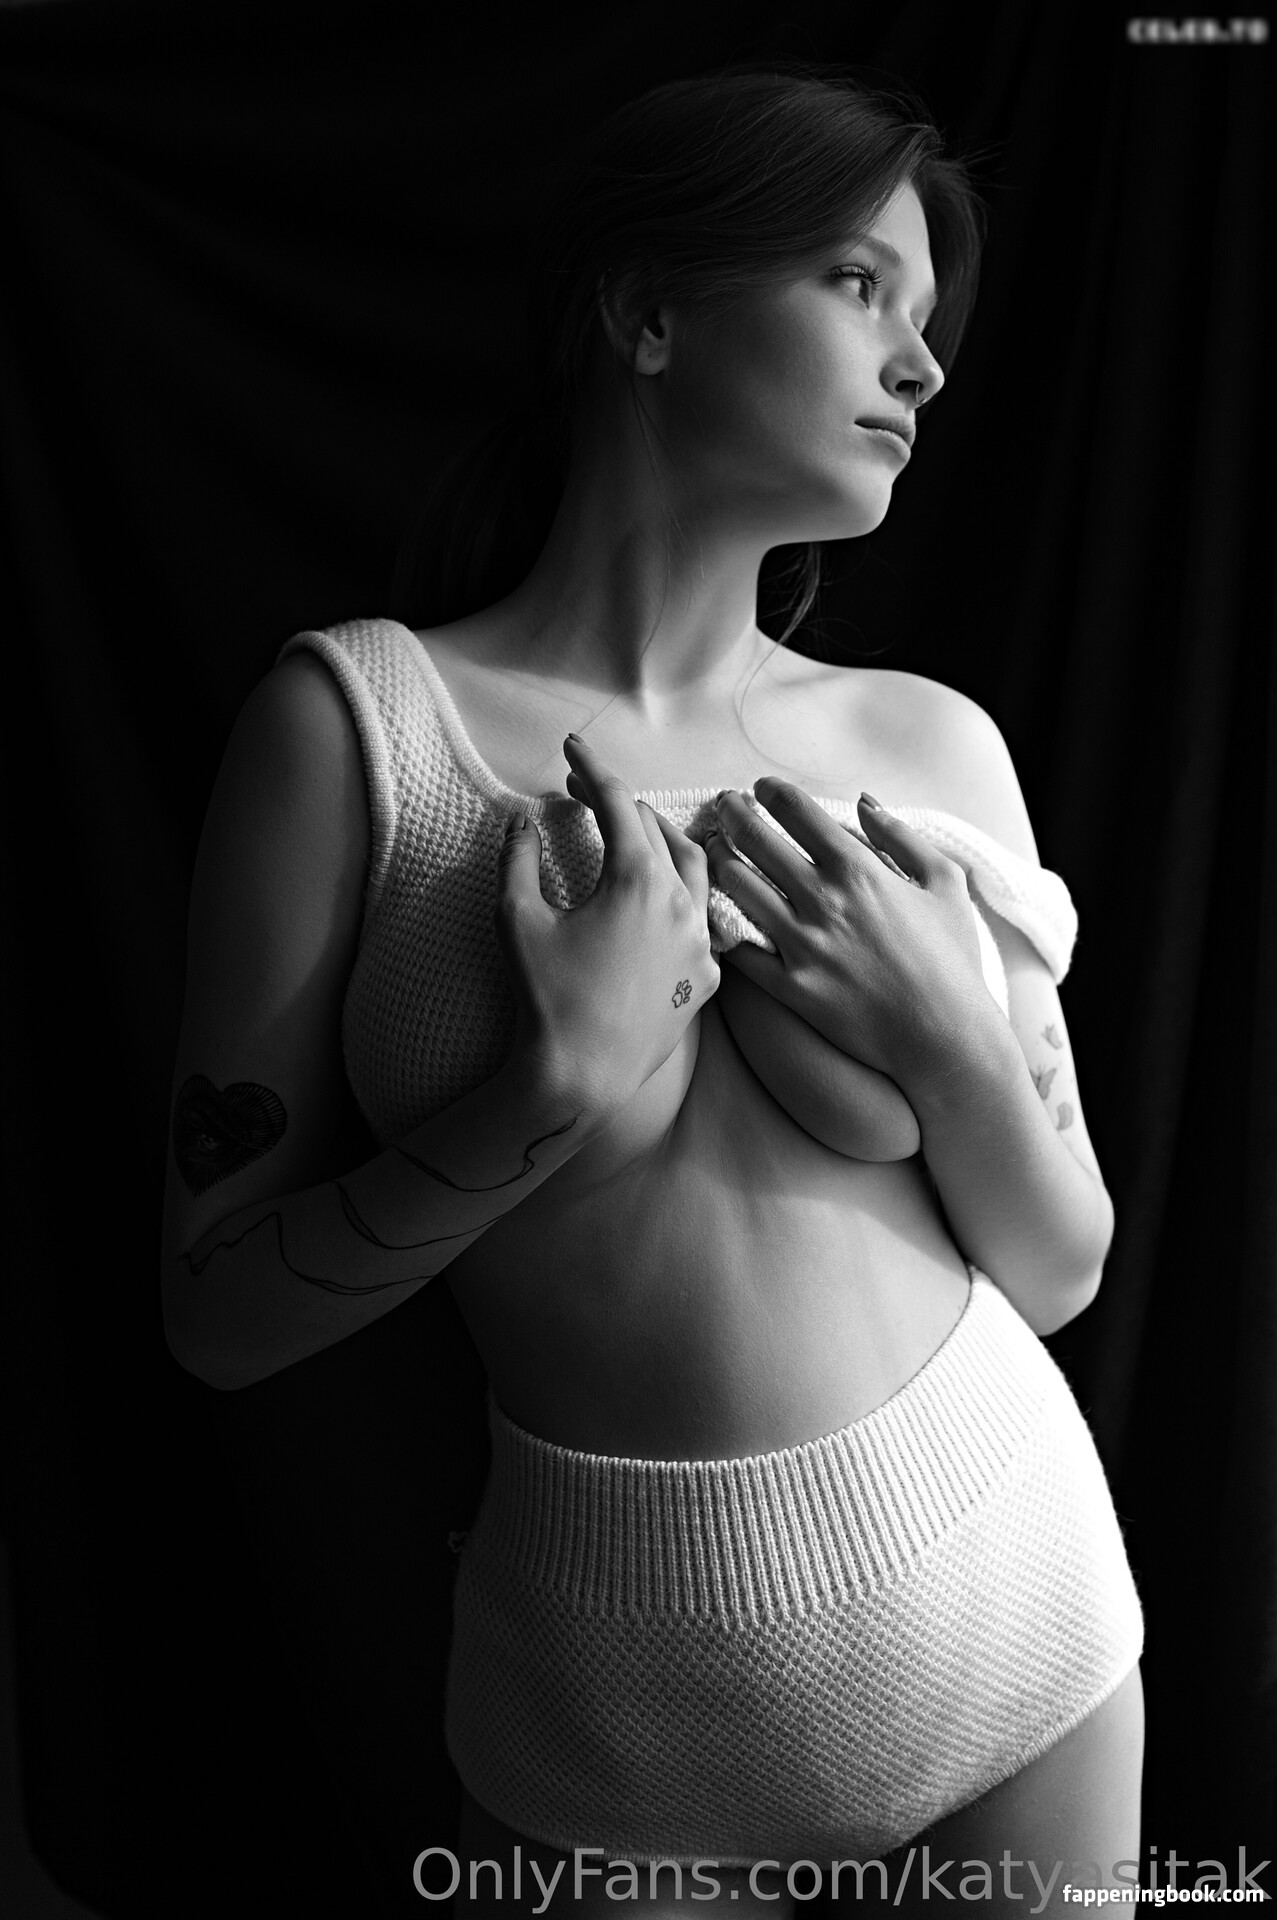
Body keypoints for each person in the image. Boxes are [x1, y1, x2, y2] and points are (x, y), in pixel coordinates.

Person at [161, 64, 1145, 1916]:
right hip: (605, 1735)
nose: (924, 366)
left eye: (927, 313)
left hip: (1027, 1631)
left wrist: (949, 1047)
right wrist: (537, 1101)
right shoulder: (362, 738)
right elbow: (213, 1317)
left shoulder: (926, 745)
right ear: (648, 312)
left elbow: (1061, 1266)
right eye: (858, 285)